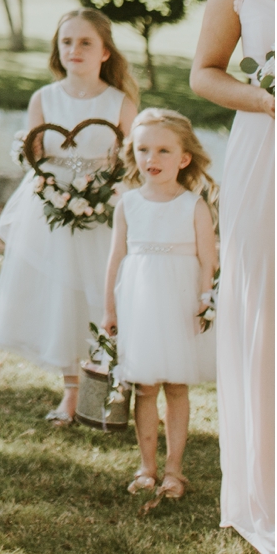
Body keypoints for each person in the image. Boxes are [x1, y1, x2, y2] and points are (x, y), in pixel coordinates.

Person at [0, 7, 139, 422]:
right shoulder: (44, 98)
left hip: (104, 209)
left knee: (105, 294)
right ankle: (70, 393)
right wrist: (28, 152)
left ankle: (115, 388)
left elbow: (133, 159)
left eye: (85, 42)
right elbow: (36, 154)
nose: (75, 49)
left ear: (105, 52)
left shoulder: (119, 103)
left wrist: (111, 177)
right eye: (67, 42)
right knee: (62, 297)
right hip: (52, 209)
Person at [191, 0, 274, 554]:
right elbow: (205, 73)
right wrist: (272, 101)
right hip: (263, 157)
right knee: (266, 310)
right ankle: (266, 486)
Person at [102, 108, 217, 501]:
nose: (152, 159)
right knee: (145, 387)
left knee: (177, 386)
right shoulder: (128, 204)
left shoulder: (194, 205)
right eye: (143, 149)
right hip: (140, 302)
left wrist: (205, 300)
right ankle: (146, 466)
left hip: (181, 302)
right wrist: (109, 309)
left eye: (164, 151)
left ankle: (174, 469)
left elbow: (208, 259)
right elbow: (115, 259)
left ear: (184, 158)